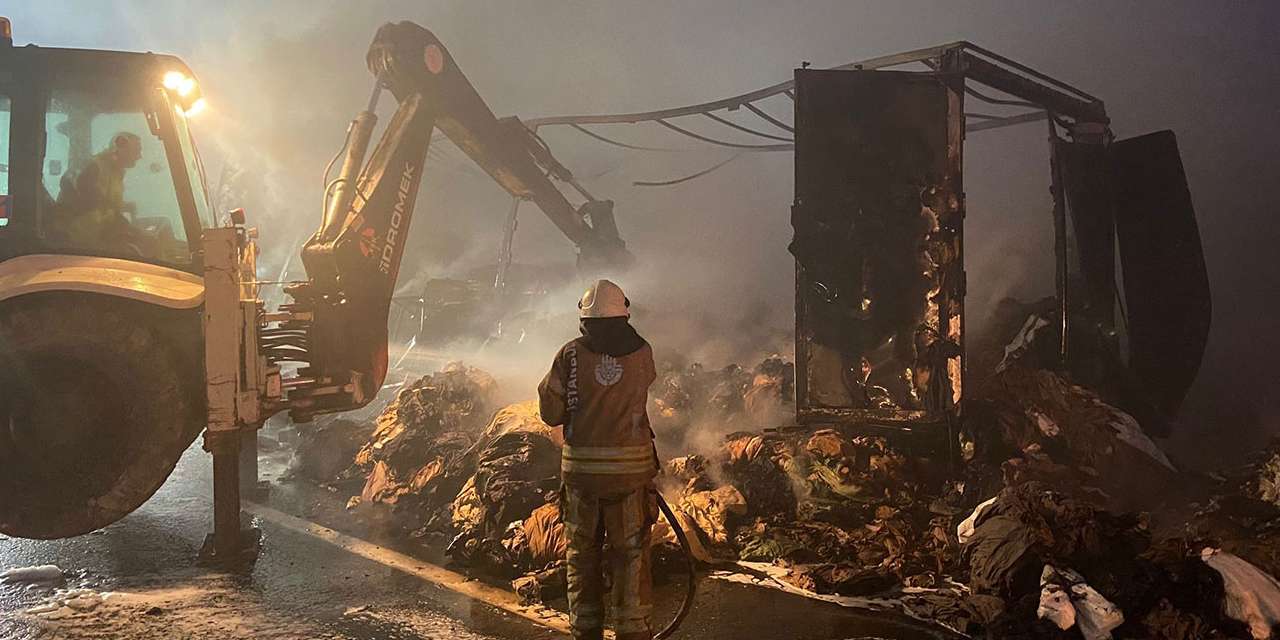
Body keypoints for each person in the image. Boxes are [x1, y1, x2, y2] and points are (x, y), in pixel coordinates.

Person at [538, 279, 659, 640]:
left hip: (583, 479)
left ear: (585, 318)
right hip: (631, 477)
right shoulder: (643, 353)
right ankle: (633, 632)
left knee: (583, 558)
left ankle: (585, 631)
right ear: (625, 314)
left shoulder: (570, 354)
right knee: (631, 558)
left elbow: (550, 411)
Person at [53, 131, 142, 248]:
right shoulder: (94, 168)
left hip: (96, 233)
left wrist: (125, 207)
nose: (140, 156)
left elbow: (104, 204)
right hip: (81, 241)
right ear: (121, 148)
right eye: (137, 150)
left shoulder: (114, 171)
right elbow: (88, 207)